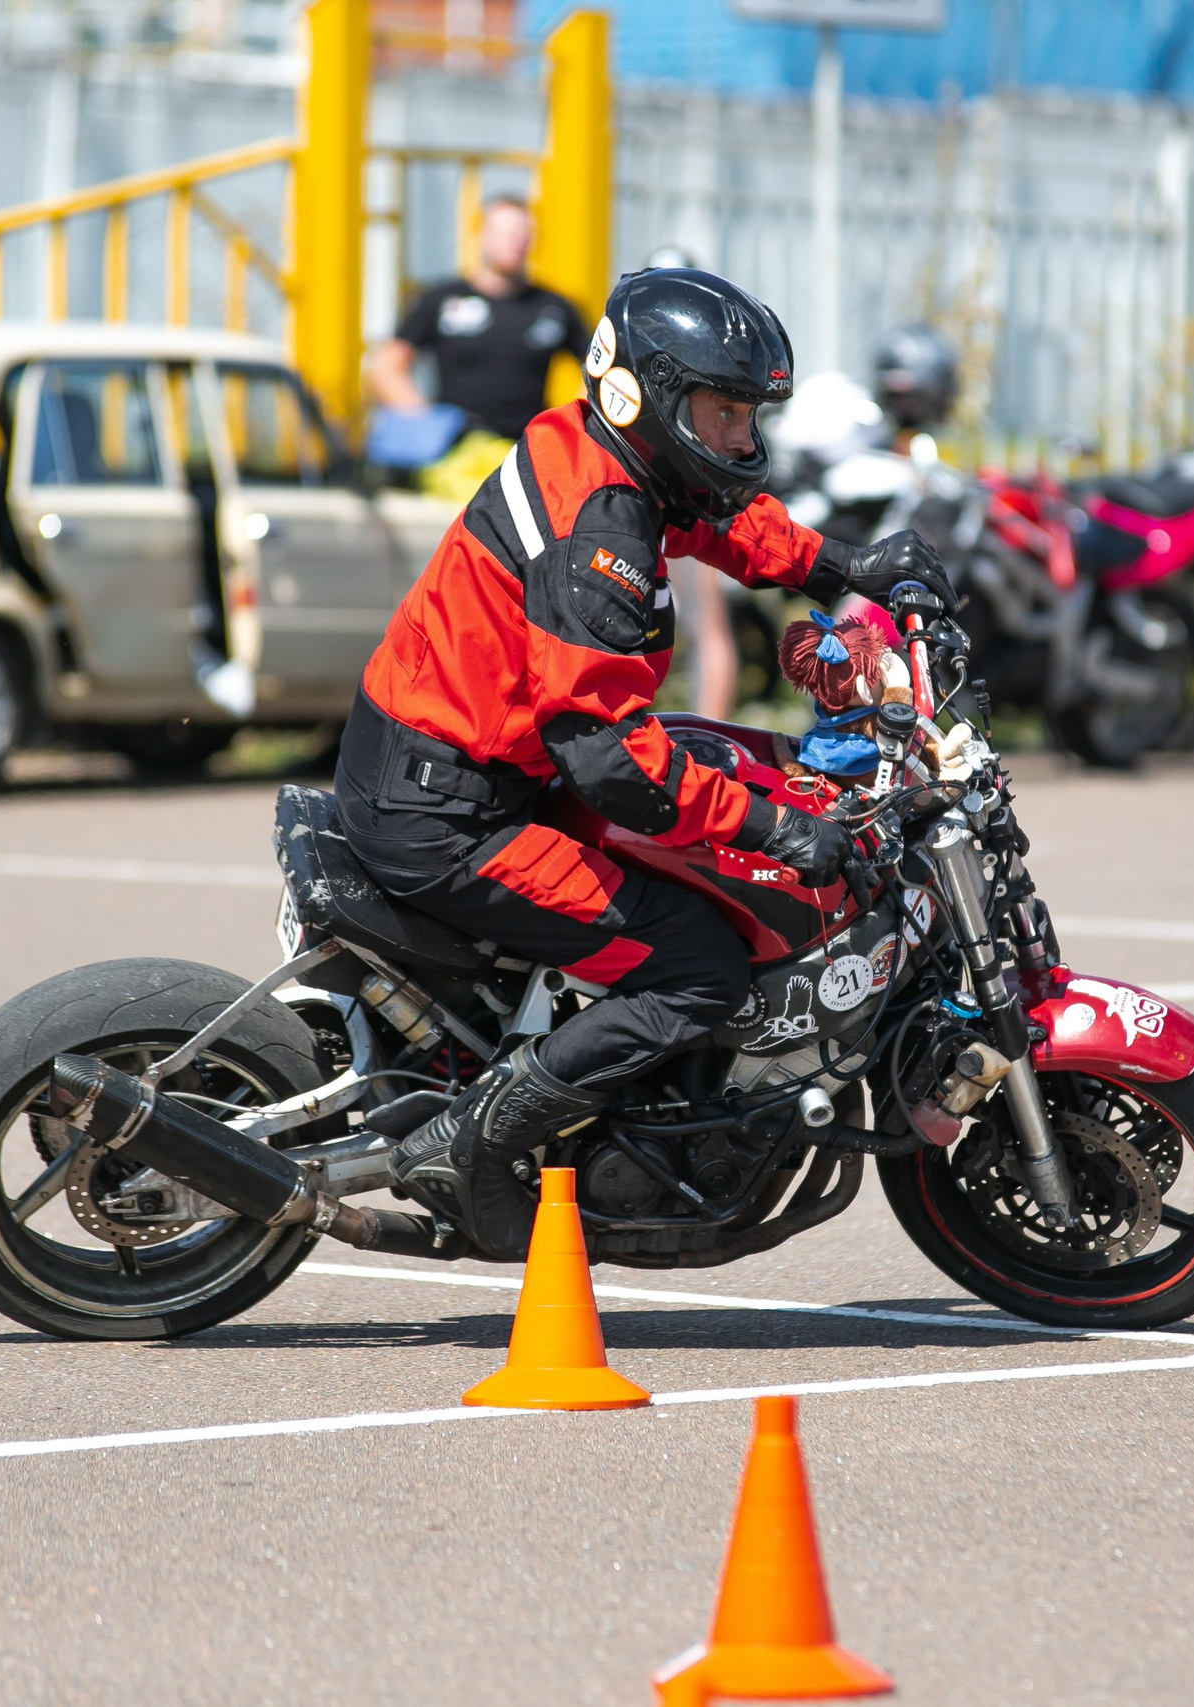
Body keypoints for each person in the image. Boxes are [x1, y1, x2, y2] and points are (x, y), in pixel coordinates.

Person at [333, 267, 953, 1257]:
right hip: (452, 815)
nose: (744, 440)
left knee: (707, 778)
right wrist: (775, 828)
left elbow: (714, 516)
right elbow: (613, 764)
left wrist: (845, 567)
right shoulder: (600, 532)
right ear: (649, 399)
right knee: (695, 966)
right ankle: (472, 1145)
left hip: (451, 761)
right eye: (724, 413)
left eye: (749, 416)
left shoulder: (604, 453)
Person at [369, 195, 589, 446]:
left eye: (522, 232)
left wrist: (572, 427)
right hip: (456, 446)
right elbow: (385, 366)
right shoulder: (445, 299)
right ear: (482, 236)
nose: (514, 241)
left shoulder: (553, 307)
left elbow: (600, 370)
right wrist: (427, 424)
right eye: (503, 232)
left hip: (527, 447)